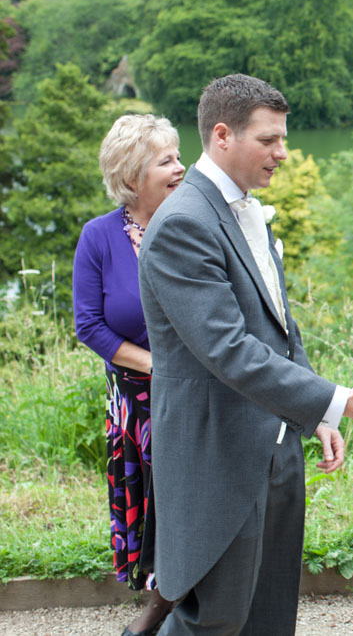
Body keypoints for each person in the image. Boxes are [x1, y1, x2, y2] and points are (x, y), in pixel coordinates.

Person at [138, 74, 353, 635]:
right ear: (222, 136)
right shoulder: (183, 224)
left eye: (283, 139)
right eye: (269, 140)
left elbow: (279, 330)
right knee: (212, 620)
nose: (283, 153)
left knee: (269, 617)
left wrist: (315, 413)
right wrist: (339, 401)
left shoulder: (247, 212)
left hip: (275, 449)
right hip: (217, 456)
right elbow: (229, 350)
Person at [73, 114, 184, 636]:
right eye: (166, 160)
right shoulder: (98, 237)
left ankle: (164, 608)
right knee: (155, 506)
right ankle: (165, 597)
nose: (181, 168)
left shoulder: (191, 225)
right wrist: (155, 365)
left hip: (194, 394)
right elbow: (89, 325)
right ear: (133, 174)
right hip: (135, 403)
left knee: (185, 502)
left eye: (179, 156)